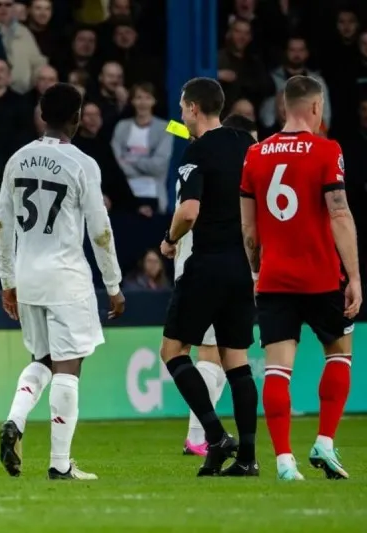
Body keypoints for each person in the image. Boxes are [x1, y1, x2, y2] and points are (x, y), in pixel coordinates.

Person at [0, 83, 124, 480]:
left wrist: (7, 279)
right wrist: (114, 284)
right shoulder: (82, 163)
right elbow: (100, 229)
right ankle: (60, 464)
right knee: (68, 367)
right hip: (66, 276)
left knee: (42, 361)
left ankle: (15, 419)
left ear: (41, 114)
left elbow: (2, 224)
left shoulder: (17, 159)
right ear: (78, 117)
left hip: (28, 275)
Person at [240, 75, 361, 481]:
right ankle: (324, 442)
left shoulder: (255, 154)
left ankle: (284, 461)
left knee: (277, 369)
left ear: (282, 106)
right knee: (340, 353)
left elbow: (249, 230)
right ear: (315, 108)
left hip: (274, 279)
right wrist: (356, 277)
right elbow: (340, 213)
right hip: (322, 275)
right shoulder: (328, 150)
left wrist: (257, 270)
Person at [159, 77, 259, 477]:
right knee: (237, 362)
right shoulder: (245, 145)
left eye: (183, 106)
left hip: (207, 264)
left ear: (194, 108)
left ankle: (215, 435)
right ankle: (248, 458)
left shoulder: (195, 152)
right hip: (241, 268)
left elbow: (189, 212)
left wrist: (168, 241)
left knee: (173, 351)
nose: (182, 113)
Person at [179, 113, 258, 458]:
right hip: (219, 262)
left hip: (198, 259)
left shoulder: (199, 160)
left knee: (220, 355)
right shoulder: (229, 170)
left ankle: (210, 437)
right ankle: (203, 436)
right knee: (217, 354)